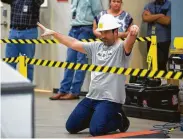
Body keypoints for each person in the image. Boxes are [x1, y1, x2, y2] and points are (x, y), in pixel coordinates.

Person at [37, 14, 139, 136]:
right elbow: (73, 43)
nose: (103, 36)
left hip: (110, 100)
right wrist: (54, 33)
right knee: (71, 127)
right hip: (92, 97)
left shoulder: (122, 48)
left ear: (115, 31)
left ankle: (119, 120)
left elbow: (130, 42)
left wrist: (133, 32)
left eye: (106, 32)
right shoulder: (96, 46)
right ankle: (99, 117)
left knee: (96, 131)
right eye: (101, 32)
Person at [50, 0, 103, 100]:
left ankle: (74, 92)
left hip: (86, 28)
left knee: (81, 61)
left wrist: (96, 30)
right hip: (74, 28)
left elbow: (98, 14)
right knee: (69, 61)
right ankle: (63, 90)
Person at [1, 0, 44, 82]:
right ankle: (9, 89)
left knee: (27, 63)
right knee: (10, 62)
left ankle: (27, 90)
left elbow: (40, 1)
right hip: (14, 32)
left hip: (29, 32)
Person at [142, 0, 171, 70]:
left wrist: (151, 17)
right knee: (151, 63)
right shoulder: (149, 5)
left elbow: (167, 21)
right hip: (150, 39)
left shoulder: (169, 4)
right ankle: (155, 80)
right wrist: (160, 15)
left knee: (162, 63)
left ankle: (163, 81)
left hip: (163, 39)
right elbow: (145, 18)